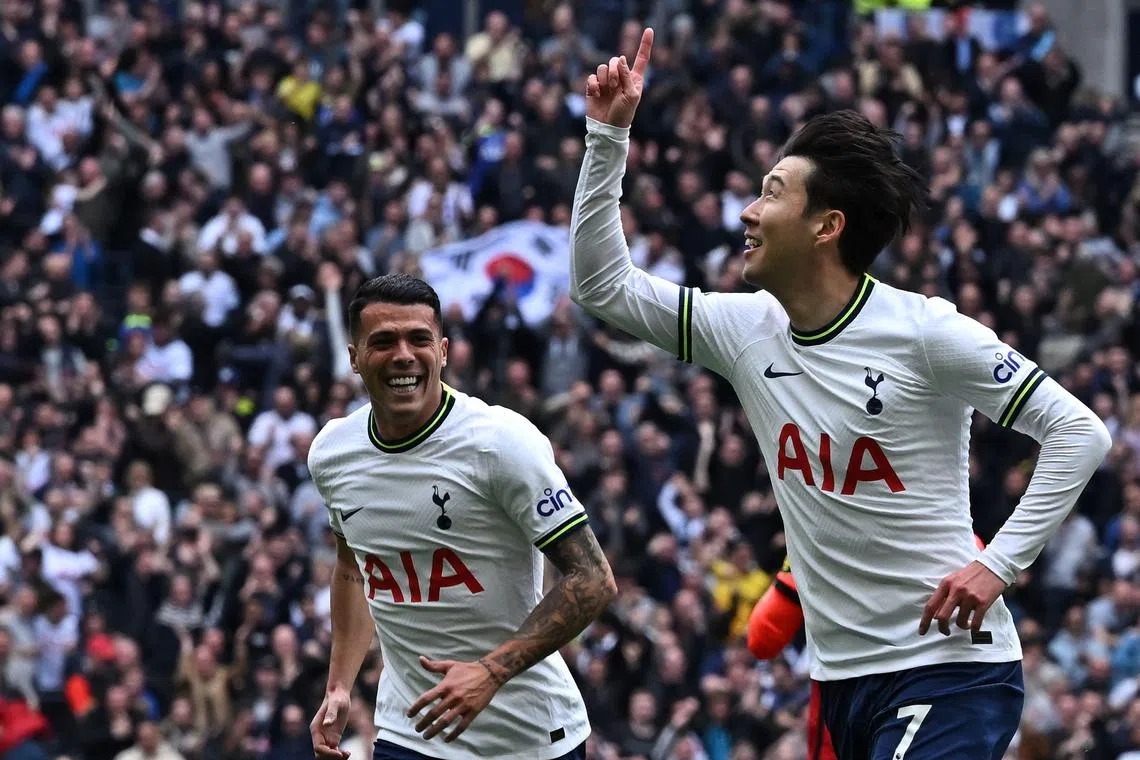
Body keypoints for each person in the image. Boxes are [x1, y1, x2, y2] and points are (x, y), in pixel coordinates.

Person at [569, 28, 1111, 760]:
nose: (747, 214)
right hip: (840, 682)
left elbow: (1080, 433)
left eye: (770, 194)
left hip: (950, 669)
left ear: (827, 226)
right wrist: (607, 137)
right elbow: (604, 287)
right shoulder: (746, 329)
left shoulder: (925, 333)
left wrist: (998, 564)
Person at [306, 273, 617, 760]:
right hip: (410, 732)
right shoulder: (332, 453)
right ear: (354, 358)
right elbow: (354, 567)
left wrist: (491, 671)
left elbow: (594, 579)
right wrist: (340, 686)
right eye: (383, 341)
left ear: (444, 351)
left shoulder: (501, 443)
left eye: (419, 339)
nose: (404, 355)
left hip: (527, 740)